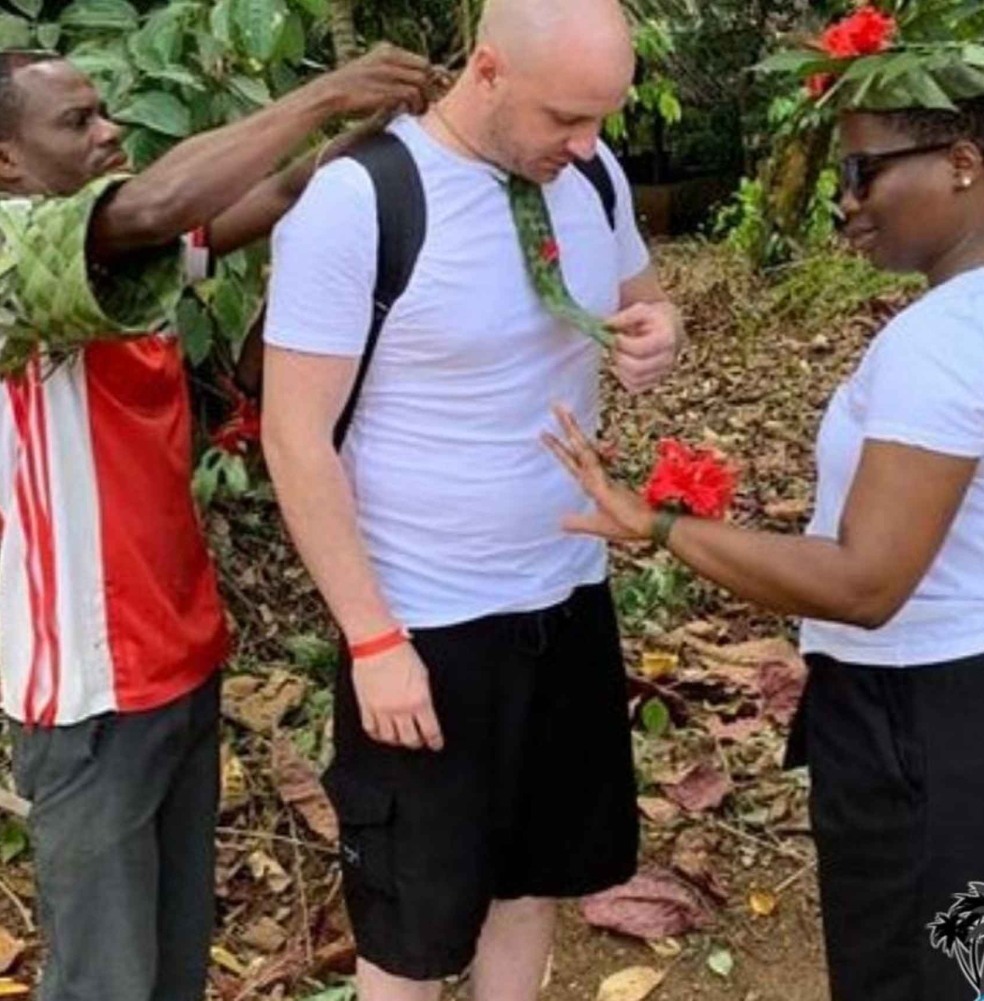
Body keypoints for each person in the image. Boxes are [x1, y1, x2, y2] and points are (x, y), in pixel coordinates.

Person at [544, 70, 984, 1001]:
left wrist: (659, 526)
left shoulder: (938, 340)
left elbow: (865, 582)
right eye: (840, 177)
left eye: (865, 172)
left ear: (963, 164)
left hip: (936, 722)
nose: (846, 204)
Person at [0, 45, 431, 1001]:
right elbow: (162, 205)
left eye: (103, 110)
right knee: (105, 980)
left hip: (181, 659)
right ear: (3, 160)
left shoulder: (121, 254)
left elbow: (269, 198)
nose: (109, 129)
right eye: (76, 122)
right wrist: (323, 92)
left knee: (170, 966)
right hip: (89, 688)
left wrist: (369, 140)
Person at [260, 0, 683, 996]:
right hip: (425, 622)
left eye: (601, 119)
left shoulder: (593, 172)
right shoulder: (362, 199)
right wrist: (371, 637)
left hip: (565, 593)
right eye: (564, 118)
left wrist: (661, 333)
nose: (586, 144)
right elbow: (295, 436)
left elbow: (647, 300)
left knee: (532, 883)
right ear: (486, 70)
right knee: (413, 924)